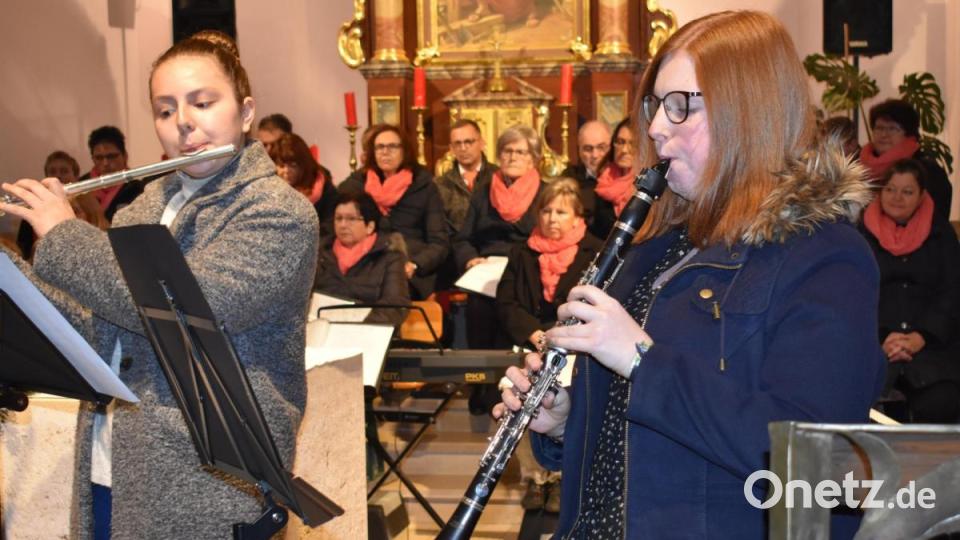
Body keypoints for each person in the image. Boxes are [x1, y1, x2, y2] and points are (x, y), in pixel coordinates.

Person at [498, 11, 885, 538]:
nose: (656, 128)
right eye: (656, 105)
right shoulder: (650, 249)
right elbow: (639, 433)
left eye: (682, 106)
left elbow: (822, 464)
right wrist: (565, 422)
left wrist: (641, 360)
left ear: (748, 112)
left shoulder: (825, 258)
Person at [1, 30, 319, 538]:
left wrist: (64, 233)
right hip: (115, 463)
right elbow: (93, 327)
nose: (183, 123)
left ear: (244, 112)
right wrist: (8, 270)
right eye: (165, 109)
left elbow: (187, 308)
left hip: (207, 483)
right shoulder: (142, 208)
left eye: (203, 102)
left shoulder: (278, 213)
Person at [495, 178, 601, 513]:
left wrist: (559, 336)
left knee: (562, 395)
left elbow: (599, 302)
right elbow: (506, 302)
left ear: (576, 217)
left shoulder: (595, 250)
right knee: (520, 391)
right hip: (531, 346)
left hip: (576, 348)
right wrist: (534, 334)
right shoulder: (521, 251)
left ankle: (559, 479)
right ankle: (533, 479)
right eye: (546, 210)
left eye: (561, 211)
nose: (552, 218)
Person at [861, 159, 960, 423]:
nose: (897, 198)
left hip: (932, 348)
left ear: (921, 196)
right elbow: (856, 293)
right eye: (891, 189)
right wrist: (884, 337)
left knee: (941, 402)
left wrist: (921, 336)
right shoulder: (860, 234)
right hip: (874, 345)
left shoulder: (942, 234)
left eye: (907, 191)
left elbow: (952, 292)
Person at [454, 124, 547, 350]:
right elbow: (462, 239)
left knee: (516, 304)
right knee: (479, 308)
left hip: (525, 269)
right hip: (486, 269)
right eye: (507, 151)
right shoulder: (483, 192)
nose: (512, 157)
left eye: (520, 152)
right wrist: (470, 259)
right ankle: (480, 379)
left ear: (533, 158)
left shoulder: (545, 194)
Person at [339, 124, 448, 300]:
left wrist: (416, 265)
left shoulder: (423, 185)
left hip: (410, 268)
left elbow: (439, 243)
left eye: (392, 146)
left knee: (393, 290)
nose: (385, 152)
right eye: (380, 147)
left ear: (404, 150)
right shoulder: (357, 185)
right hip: (367, 264)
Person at [314, 190, 410, 327]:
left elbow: (395, 306)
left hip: (371, 333)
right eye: (338, 218)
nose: (342, 225)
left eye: (351, 219)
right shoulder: (321, 253)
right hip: (323, 332)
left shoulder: (390, 256)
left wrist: (356, 326)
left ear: (370, 226)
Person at [861, 99, 952, 221]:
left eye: (892, 129)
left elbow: (938, 218)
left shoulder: (927, 170)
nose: (883, 134)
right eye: (879, 128)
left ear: (909, 134)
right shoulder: (859, 168)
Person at [16, 151, 107, 259]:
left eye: (64, 171)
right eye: (52, 172)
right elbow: (23, 252)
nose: (58, 176)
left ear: (76, 176)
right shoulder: (33, 209)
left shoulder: (90, 204)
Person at [268, 131, 337, 239]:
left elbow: (328, 233)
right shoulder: (267, 191)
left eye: (293, 165)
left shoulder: (325, 192)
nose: (286, 171)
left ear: (304, 165)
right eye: (281, 165)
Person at [435, 119, 496, 232]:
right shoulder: (440, 185)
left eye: (468, 142)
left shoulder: (498, 176)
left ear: (481, 143)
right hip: (455, 246)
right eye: (457, 143)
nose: (463, 148)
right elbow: (441, 227)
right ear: (451, 148)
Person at [561, 120, 611, 237]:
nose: (595, 155)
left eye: (601, 147)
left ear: (611, 147)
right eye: (588, 149)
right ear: (579, 151)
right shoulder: (569, 178)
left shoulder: (622, 177)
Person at [84, 126, 143, 221]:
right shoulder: (83, 187)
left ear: (125, 156)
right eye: (99, 158)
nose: (105, 163)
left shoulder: (137, 188)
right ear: (93, 159)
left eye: (111, 156)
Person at [591, 116, 638, 239]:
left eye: (632, 143)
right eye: (620, 142)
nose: (624, 150)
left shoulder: (647, 184)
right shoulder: (603, 180)